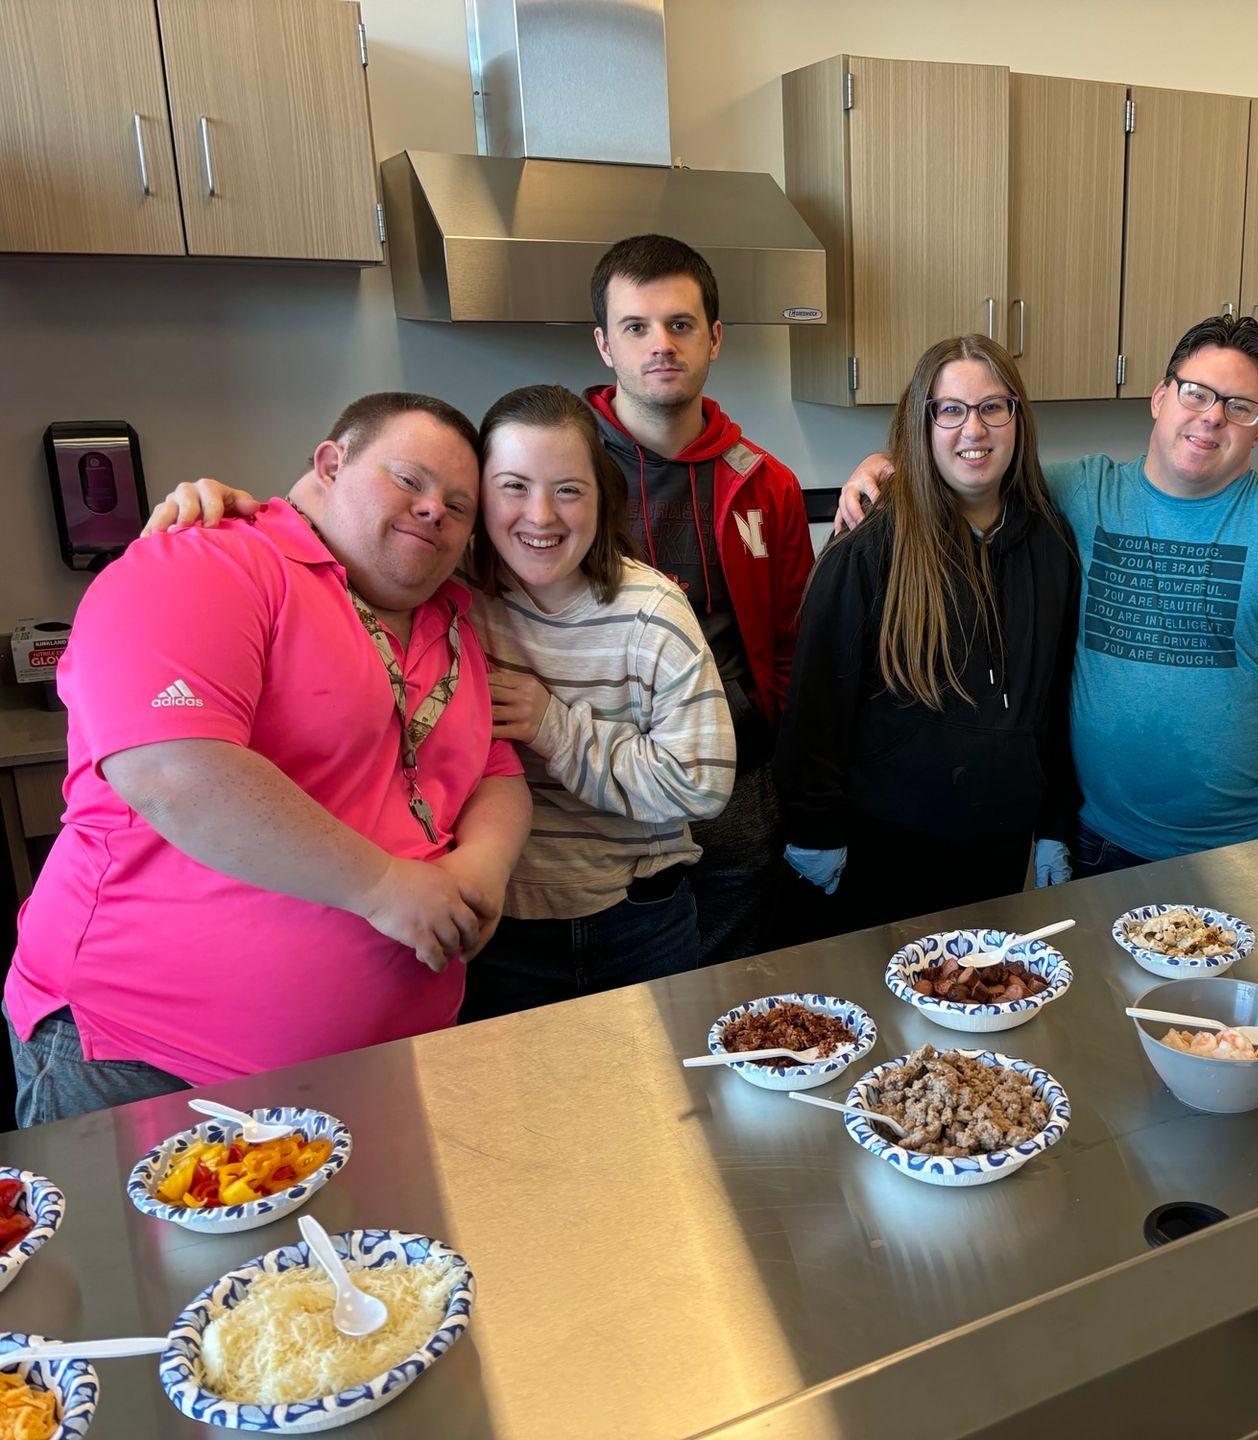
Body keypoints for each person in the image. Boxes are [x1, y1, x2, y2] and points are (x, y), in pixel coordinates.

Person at [5, 394, 533, 1125]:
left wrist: (481, 867)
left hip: (376, 1070)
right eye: (408, 480)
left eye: (458, 504)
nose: (433, 509)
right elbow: (172, 770)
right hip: (145, 1064)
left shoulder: (453, 625)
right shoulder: (205, 557)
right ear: (330, 464)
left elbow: (495, 773)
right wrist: (382, 886)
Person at [145, 385, 737, 1022]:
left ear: (603, 496)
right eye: (512, 486)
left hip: (635, 913)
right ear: (478, 503)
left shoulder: (651, 616)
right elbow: (346, 534)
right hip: (489, 923)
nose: (540, 515)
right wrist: (223, 503)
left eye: (568, 489)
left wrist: (555, 729)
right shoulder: (444, 592)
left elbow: (702, 785)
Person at [836, 316, 1258, 876]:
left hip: (1250, 846)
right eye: (1196, 393)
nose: (1213, 416)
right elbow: (974, 467)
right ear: (1160, 397)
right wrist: (884, 465)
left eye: (1241, 406)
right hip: (1102, 841)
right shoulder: (1079, 492)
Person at [777, 335, 1079, 931]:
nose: (975, 430)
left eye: (994, 407)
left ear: (1018, 418)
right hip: (882, 852)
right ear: (924, 423)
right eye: (951, 410)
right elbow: (816, 705)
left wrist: (1054, 825)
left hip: (999, 850)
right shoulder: (868, 546)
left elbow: (1057, 700)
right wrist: (814, 833)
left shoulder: (1051, 543)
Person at [588, 234, 813, 964]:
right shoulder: (554, 468)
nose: (661, 344)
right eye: (637, 327)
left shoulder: (765, 482)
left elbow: (791, 640)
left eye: (681, 324)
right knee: (619, 1002)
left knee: (733, 989)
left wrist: (762, 737)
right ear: (605, 345)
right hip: (600, 790)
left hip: (735, 792)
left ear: (713, 338)